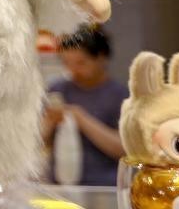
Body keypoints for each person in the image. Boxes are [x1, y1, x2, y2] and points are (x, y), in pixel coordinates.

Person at [43, 28, 127, 185]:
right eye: (67, 63)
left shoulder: (120, 95)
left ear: (101, 57)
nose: (73, 70)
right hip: (60, 185)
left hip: (104, 185)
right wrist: (49, 121)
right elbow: (39, 143)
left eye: (81, 63)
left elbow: (124, 150)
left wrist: (80, 117)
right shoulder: (57, 90)